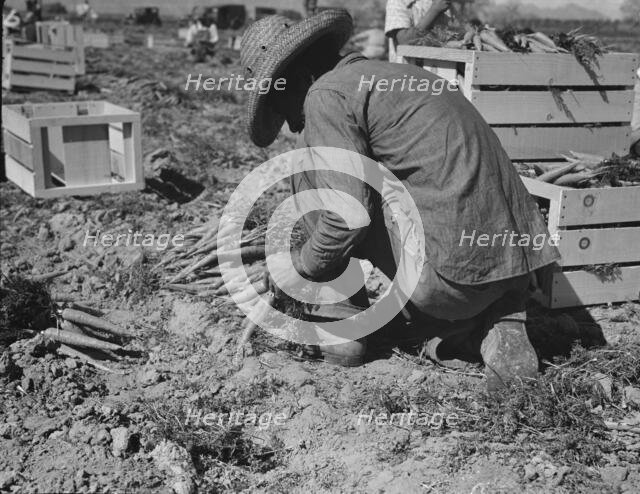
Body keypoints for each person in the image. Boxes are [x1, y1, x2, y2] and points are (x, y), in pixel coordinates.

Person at [239, 10, 560, 391]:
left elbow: (347, 218)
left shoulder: (325, 95)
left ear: (295, 78)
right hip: (518, 262)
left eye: (281, 105)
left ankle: (343, 325)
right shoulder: (396, 74)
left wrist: (299, 267)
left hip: (449, 280)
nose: (291, 121)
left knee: (308, 175)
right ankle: (497, 311)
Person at [385, 0, 453, 62]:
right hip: (408, 72)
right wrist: (435, 10)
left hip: (442, 70)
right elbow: (404, 41)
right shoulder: (397, 2)